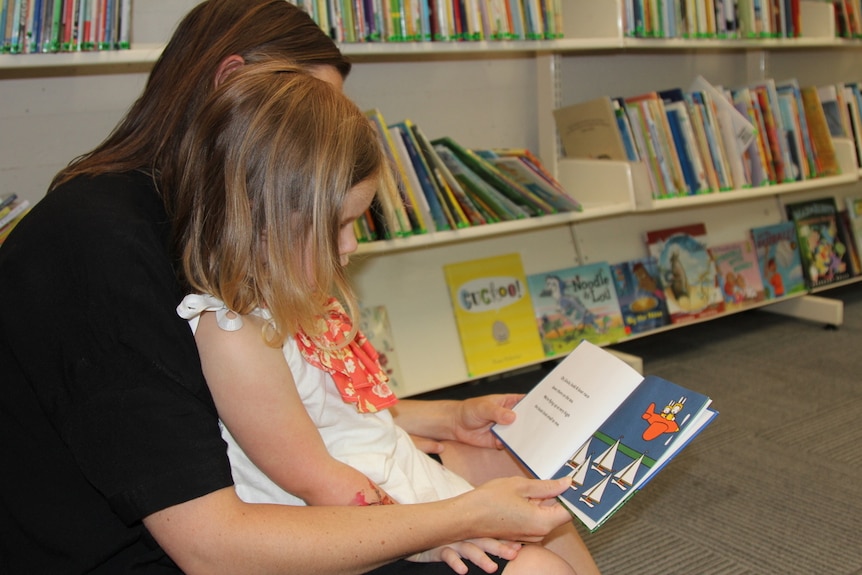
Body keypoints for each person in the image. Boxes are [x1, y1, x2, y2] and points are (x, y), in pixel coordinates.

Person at [0, 1, 599, 574]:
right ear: (232, 86)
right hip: (184, 547)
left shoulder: (225, 237)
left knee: (526, 493)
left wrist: (446, 419)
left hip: (269, 503)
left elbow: (262, 408)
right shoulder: (102, 241)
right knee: (532, 562)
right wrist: (447, 520)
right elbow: (213, 543)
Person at [171, 61, 592, 575]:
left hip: (392, 491)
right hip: (346, 533)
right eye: (336, 226)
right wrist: (439, 532)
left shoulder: (295, 297)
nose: (349, 247)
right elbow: (320, 482)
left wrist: (448, 439)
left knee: (544, 514)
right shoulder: (236, 337)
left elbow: (350, 417)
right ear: (259, 216)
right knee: (538, 569)